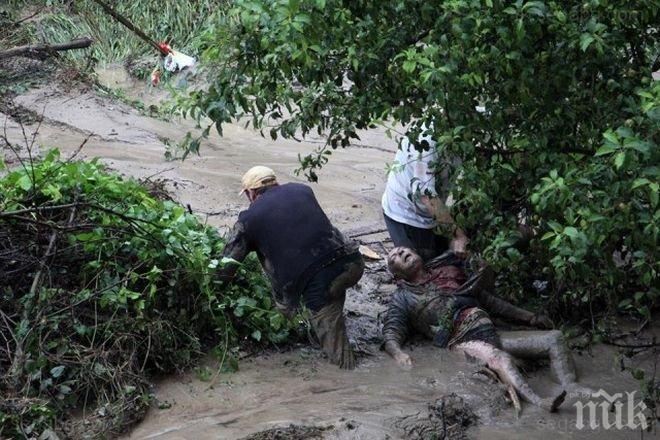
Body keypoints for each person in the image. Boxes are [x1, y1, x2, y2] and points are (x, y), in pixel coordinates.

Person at [382, 247, 589, 412]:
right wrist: (398, 354)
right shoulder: (402, 298)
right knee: (500, 358)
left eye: (402, 250)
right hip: (460, 342)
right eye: (394, 258)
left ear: (417, 254)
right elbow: (391, 332)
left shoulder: (448, 272)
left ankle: (570, 386)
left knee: (554, 338)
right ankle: (538, 402)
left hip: (489, 332)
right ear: (397, 276)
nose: (400, 253)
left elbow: (489, 301)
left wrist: (531, 317)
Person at [215, 166, 364, 369]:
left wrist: (212, 285)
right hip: (353, 263)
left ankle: (350, 383)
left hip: (320, 282)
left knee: (341, 362)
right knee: (331, 295)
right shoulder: (302, 189)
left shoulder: (249, 219)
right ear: (274, 182)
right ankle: (322, 321)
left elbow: (226, 267)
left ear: (251, 192)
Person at [381, 125, 468, 261]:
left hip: (434, 211)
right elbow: (425, 194)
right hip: (406, 211)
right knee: (416, 267)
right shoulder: (426, 141)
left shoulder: (471, 124)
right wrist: (458, 235)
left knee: (451, 261)